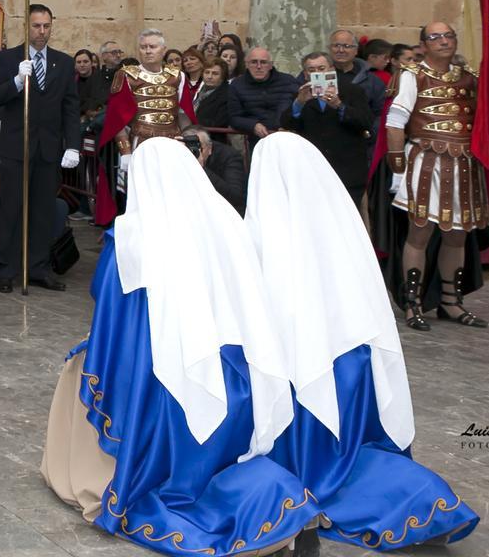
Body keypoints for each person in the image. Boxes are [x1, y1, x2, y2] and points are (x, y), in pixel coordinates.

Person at [40, 137, 313, 556]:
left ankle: (107, 471)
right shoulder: (225, 220)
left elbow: (111, 318)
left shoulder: (130, 237)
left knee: (78, 366)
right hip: (238, 372)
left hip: (167, 384)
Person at [247, 133, 480, 549]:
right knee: (359, 455)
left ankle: (321, 489)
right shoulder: (341, 226)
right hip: (355, 371)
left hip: (303, 379)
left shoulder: (263, 230)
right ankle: (417, 497)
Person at [386, 21, 489, 331]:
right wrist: (396, 160)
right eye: (436, 37)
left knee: (456, 235)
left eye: (449, 35)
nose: (444, 41)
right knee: (419, 234)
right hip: (426, 161)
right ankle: (413, 303)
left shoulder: (471, 78)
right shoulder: (412, 76)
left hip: (464, 165)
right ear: (423, 44)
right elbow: (396, 119)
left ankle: (450, 301)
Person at [0, 3, 80, 293]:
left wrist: (72, 145)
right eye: (37, 26)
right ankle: (6, 268)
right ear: (27, 26)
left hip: (49, 148)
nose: (42, 31)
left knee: (42, 210)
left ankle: (38, 267)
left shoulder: (63, 62)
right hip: (16, 146)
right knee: (12, 209)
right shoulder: (9, 58)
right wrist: (15, 81)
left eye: (46, 26)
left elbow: (70, 108)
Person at [94, 28, 190, 226]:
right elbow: (117, 120)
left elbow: (184, 115)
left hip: (173, 143)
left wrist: (188, 143)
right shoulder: (126, 76)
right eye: (143, 47)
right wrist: (126, 153)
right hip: (141, 143)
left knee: (173, 196)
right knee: (141, 198)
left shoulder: (178, 77)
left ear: (163, 50)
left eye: (152, 47)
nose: (148, 51)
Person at [279, 51, 374, 207]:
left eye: (321, 68)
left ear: (331, 70)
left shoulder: (352, 91)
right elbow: (286, 122)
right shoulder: (301, 94)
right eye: (312, 70)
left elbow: (365, 122)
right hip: (312, 170)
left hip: (347, 170)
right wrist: (299, 104)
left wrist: (339, 106)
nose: (317, 73)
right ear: (305, 74)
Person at [227, 46, 299, 145]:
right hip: (257, 140)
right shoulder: (237, 85)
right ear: (246, 64)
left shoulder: (288, 82)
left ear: (271, 65)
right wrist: (253, 125)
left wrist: (286, 126)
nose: (259, 66)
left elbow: (298, 110)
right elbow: (233, 117)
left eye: (263, 62)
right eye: (254, 62)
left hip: (287, 138)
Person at [184, 125, 246, 214]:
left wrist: (201, 168)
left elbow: (235, 197)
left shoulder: (229, 156)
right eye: (188, 148)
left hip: (224, 212)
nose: (192, 152)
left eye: (199, 147)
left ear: (209, 148)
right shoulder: (178, 155)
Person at [329, 29, 385, 119]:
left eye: (346, 46)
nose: (341, 50)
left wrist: (371, 131)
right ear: (329, 49)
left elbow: (380, 114)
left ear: (356, 50)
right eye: (336, 45)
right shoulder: (316, 73)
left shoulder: (372, 81)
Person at [191, 57, 229, 130]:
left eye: (215, 74)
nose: (209, 77)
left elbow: (219, 123)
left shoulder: (227, 94)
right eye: (207, 72)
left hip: (212, 137)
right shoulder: (201, 91)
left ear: (223, 77)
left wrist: (192, 122)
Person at [74, 48, 107, 118]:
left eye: (85, 61)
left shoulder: (101, 79)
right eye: (79, 62)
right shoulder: (72, 81)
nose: (82, 65)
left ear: (92, 63)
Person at [180, 47, 206, 115]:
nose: (189, 62)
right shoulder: (181, 84)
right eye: (185, 61)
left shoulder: (207, 82)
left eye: (192, 59)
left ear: (201, 62)